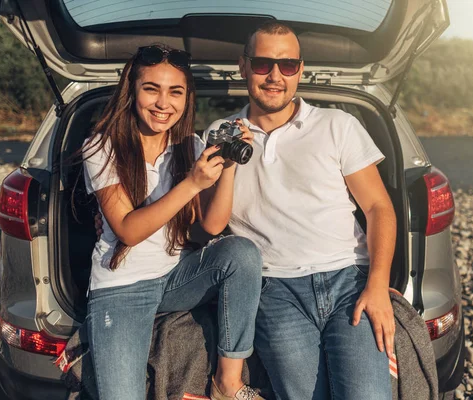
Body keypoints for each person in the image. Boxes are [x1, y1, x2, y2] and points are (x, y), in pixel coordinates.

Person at [203, 22, 397, 399]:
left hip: (348, 282)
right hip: (274, 290)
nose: (275, 76)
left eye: (287, 65)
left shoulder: (338, 125)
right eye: (262, 64)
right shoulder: (220, 134)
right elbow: (211, 224)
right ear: (243, 67)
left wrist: (377, 286)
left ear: (300, 70)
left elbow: (378, 207)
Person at [81, 45, 264, 400]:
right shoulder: (101, 146)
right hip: (122, 287)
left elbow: (211, 226)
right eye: (152, 89)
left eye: (175, 92)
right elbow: (128, 230)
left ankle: (228, 383)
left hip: (175, 276)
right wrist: (192, 183)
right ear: (131, 91)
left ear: (186, 97)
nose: (163, 103)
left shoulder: (190, 145)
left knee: (241, 253)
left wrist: (226, 166)